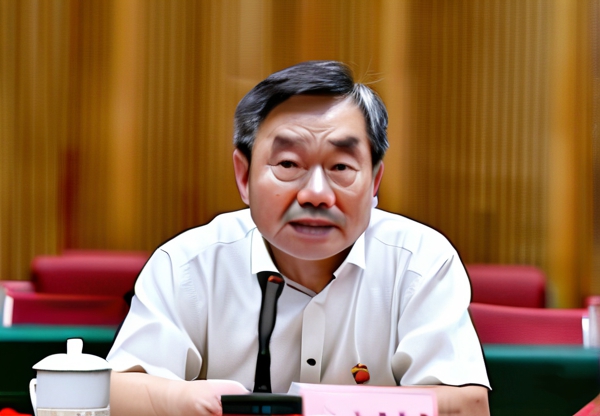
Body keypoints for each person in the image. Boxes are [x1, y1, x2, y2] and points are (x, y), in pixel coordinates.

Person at [107, 60, 490, 415]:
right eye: (289, 164)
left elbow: (467, 405)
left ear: (374, 180)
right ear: (244, 176)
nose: (316, 194)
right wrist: (189, 401)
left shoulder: (420, 260)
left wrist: (315, 409)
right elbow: (116, 391)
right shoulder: (189, 263)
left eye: (341, 166)